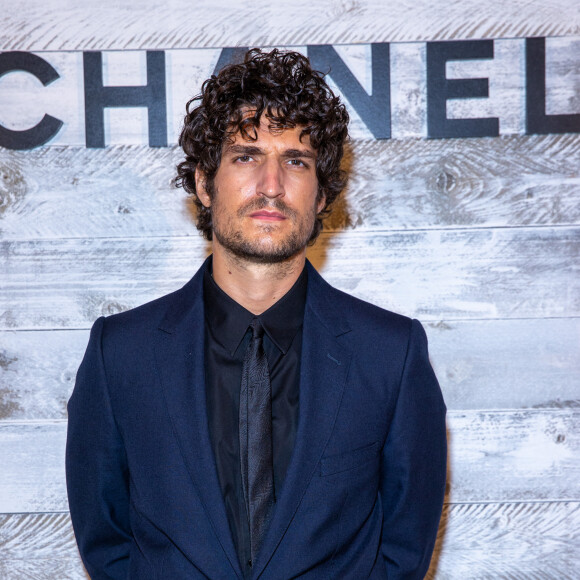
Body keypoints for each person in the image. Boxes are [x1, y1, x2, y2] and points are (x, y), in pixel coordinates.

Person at [66, 48, 447, 580]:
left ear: (321, 196)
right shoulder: (120, 353)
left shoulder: (391, 354)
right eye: (246, 156)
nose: (272, 185)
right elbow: (105, 541)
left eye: (296, 160)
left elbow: (404, 550)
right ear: (204, 182)